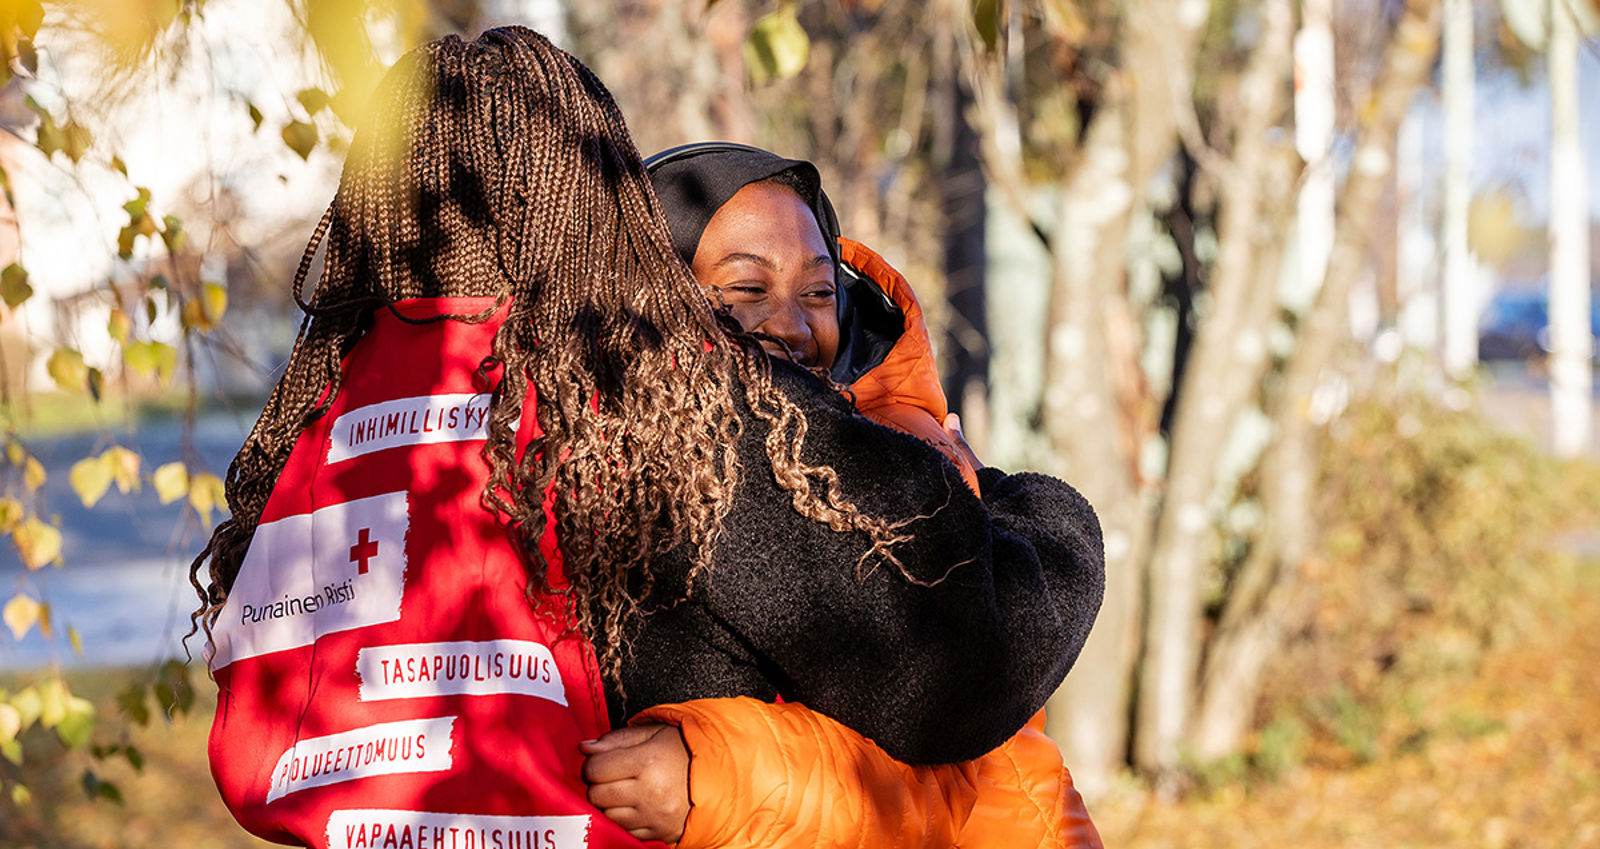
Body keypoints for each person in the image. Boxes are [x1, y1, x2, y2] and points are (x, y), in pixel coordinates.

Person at [189, 28, 1103, 849]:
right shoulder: (664, 414)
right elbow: (954, 674)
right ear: (589, 199)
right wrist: (1036, 512)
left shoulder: (318, 440)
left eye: (819, 289)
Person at [576, 143, 1104, 848]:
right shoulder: (673, 477)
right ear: (652, 295)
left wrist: (728, 777)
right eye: (746, 289)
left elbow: (958, 764)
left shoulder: (869, 463)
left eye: (819, 292)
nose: (793, 325)